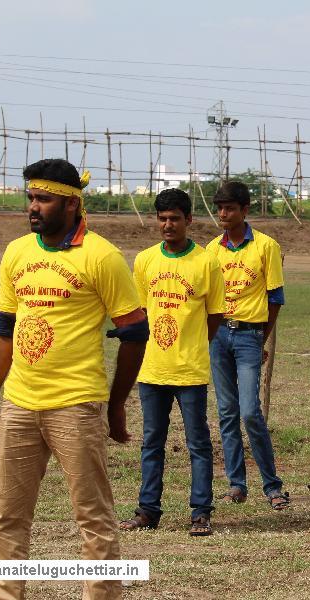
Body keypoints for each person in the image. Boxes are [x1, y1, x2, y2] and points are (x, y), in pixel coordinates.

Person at [0, 158, 148, 600]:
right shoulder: (17, 252)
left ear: (72, 204)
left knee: (94, 519)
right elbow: (2, 332)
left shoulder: (102, 256)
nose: (34, 207)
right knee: (8, 517)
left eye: (44, 199)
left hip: (76, 406)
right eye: (31, 198)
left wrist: (115, 403)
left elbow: (134, 333)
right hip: (19, 405)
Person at [119, 188, 225, 536]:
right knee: (152, 441)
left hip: (190, 369)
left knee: (198, 443)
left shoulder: (206, 261)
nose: (168, 225)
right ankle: (148, 510)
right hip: (151, 368)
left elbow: (214, 315)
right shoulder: (146, 260)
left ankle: (200, 512)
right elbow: (142, 312)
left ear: (189, 220)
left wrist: (193, 345)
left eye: (175, 219)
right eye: (162, 219)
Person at [206, 181, 290, 510]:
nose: (223, 214)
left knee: (251, 412)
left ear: (245, 210)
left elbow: (276, 298)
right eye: (219, 208)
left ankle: (272, 485)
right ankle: (236, 483)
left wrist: (261, 337)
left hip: (249, 335)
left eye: (229, 208)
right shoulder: (213, 249)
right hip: (218, 337)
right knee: (227, 412)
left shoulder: (266, 247)